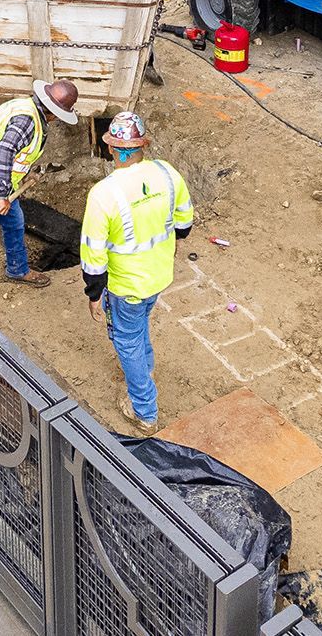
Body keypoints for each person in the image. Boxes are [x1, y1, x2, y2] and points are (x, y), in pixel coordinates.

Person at [80, 111, 194, 434]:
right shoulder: (167, 173)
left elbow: (93, 254)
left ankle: (144, 410)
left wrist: (94, 294)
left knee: (126, 339)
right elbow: (184, 220)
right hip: (158, 276)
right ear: (142, 145)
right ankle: (146, 370)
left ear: (113, 149)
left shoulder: (104, 194)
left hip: (126, 285)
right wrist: (175, 241)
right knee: (139, 326)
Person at [0, 80, 80, 304]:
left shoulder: (27, 109)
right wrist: (3, 195)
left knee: (15, 222)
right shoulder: (27, 121)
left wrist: (24, 175)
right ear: (52, 111)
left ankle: (17, 269)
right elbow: (3, 153)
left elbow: (16, 154)